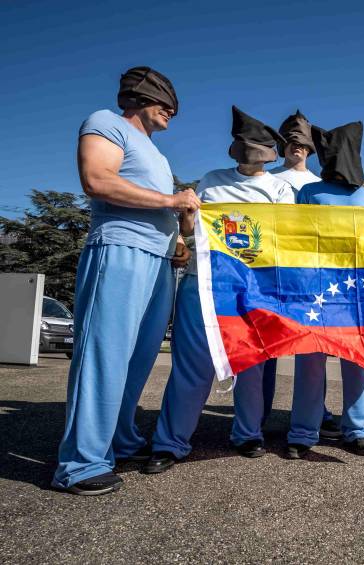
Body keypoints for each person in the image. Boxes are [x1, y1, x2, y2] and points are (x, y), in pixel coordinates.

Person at [52, 66, 200, 495]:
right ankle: (79, 464)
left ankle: (119, 437)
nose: (172, 111)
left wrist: (182, 228)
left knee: (138, 359)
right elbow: (97, 180)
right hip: (119, 250)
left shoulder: (157, 153)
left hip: (159, 262)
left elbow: (161, 209)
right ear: (139, 99)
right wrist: (173, 199)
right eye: (166, 102)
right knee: (104, 355)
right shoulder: (106, 122)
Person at [143, 106, 296, 474]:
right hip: (204, 281)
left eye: (257, 152)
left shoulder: (280, 188)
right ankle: (170, 442)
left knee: (252, 366)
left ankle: (248, 434)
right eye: (246, 150)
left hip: (253, 287)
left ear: (269, 155)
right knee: (192, 365)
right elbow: (193, 231)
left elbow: (287, 240)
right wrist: (188, 219)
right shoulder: (211, 180)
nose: (251, 159)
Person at [287, 120, 364, 459]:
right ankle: (303, 431)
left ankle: (357, 429)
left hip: (356, 292)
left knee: (357, 361)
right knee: (310, 361)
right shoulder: (310, 192)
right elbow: (296, 238)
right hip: (317, 290)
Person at [265, 110, 341, 440]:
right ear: (283, 146)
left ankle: (317, 410)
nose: (297, 148)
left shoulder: (317, 185)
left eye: (303, 143)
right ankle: (258, 409)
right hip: (274, 271)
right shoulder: (269, 179)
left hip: (311, 275)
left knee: (313, 347)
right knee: (265, 343)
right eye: (291, 142)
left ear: (310, 149)